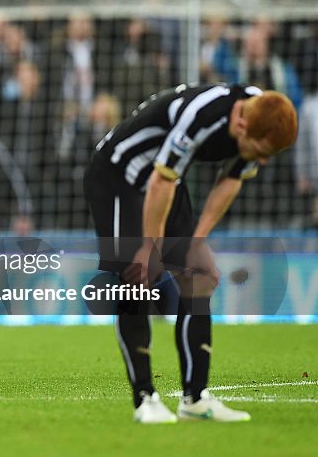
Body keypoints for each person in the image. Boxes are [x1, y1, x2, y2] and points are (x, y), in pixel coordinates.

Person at [84, 84, 297, 423]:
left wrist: (197, 241)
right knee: (135, 280)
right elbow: (160, 182)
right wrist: (150, 248)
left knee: (200, 278)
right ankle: (145, 400)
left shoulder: (260, 110)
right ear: (241, 126)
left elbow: (231, 178)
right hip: (118, 174)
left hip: (166, 176)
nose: (264, 160)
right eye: (261, 149)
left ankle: (195, 400)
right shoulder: (203, 117)